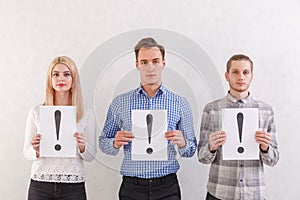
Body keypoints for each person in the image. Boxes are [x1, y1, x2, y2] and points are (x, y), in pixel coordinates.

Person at [99, 37, 197, 200]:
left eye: (155, 61)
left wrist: (183, 142)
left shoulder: (180, 103)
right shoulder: (120, 102)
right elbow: (103, 143)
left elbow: (191, 150)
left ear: (163, 63)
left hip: (167, 187)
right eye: (144, 62)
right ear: (137, 65)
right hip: (132, 188)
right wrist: (114, 143)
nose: (150, 67)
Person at [198, 54, 279, 200]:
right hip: (220, 191)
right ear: (227, 75)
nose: (240, 77)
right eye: (235, 72)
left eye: (245, 72)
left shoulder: (266, 110)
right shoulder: (212, 109)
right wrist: (211, 147)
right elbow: (202, 157)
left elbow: (273, 160)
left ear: (252, 76)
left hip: (254, 193)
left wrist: (265, 148)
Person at [23, 56, 97, 200]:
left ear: (73, 78)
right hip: (40, 184)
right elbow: (26, 152)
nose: (60, 78)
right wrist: (36, 150)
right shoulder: (37, 111)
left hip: (73, 185)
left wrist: (83, 147)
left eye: (66, 74)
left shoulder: (86, 113)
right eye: (55, 74)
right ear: (49, 79)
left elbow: (91, 156)